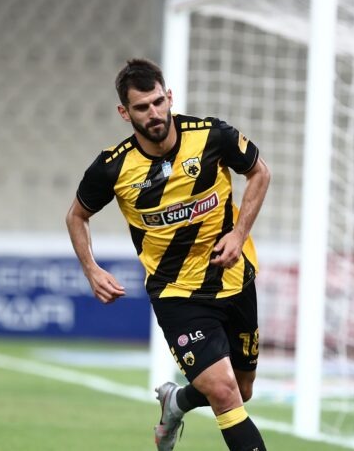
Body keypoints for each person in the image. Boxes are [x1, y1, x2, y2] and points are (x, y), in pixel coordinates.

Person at [66, 59, 270, 451]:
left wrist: (239, 233)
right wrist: (91, 269)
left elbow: (260, 172)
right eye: (142, 107)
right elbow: (77, 215)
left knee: (242, 389)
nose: (154, 113)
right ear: (124, 112)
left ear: (170, 97)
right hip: (176, 293)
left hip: (234, 278)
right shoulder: (113, 167)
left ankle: (176, 401)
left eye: (159, 102)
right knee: (224, 391)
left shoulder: (212, 135)